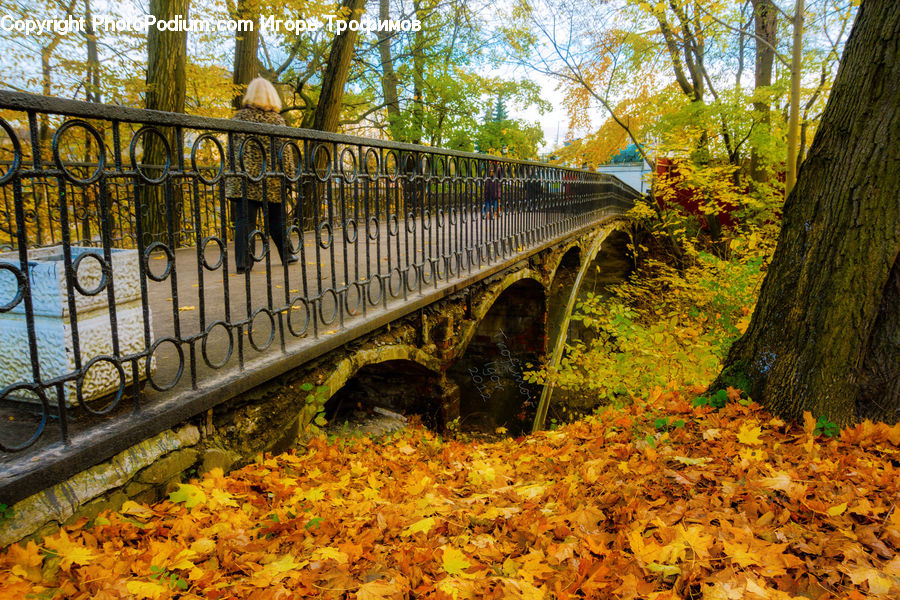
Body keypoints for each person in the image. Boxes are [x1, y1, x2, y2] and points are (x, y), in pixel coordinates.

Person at [225, 77, 297, 273]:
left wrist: (230, 174)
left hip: (243, 178)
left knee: (244, 221)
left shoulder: (238, 118)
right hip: (271, 179)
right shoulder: (276, 120)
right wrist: (290, 177)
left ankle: (243, 263)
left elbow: (230, 150)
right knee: (276, 218)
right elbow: (285, 152)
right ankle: (287, 254)